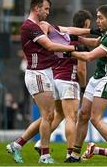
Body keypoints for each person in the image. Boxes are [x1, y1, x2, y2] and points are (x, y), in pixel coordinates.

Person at [6, 0, 90, 164]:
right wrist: (71, 50)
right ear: (37, 8)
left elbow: (67, 29)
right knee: (49, 115)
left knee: (48, 116)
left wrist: (92, 31)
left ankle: (17, 144)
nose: (48, 12)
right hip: (37, 73)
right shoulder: (30, 27)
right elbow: (50, 46)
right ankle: (44, 155)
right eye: (46, 9)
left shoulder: (41, 25)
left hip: (47, 73)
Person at [65, 4, 107, 163]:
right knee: (83, 115)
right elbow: (94, 43)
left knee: (95, 118)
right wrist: (78, 38)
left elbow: (89, 57)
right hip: (98, 77)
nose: (97, 21)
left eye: (100, 18)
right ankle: (75, 155)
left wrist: (67, 51)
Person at [34, 9, 92, 161]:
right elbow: (81, 70)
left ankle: (41, 143)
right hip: (68, 80)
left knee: (56, 115)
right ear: (85, 24)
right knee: (71, 118)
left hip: (55, 80)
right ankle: (71, 154)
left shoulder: (62, 38)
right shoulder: (78, 43)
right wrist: (84, 87)